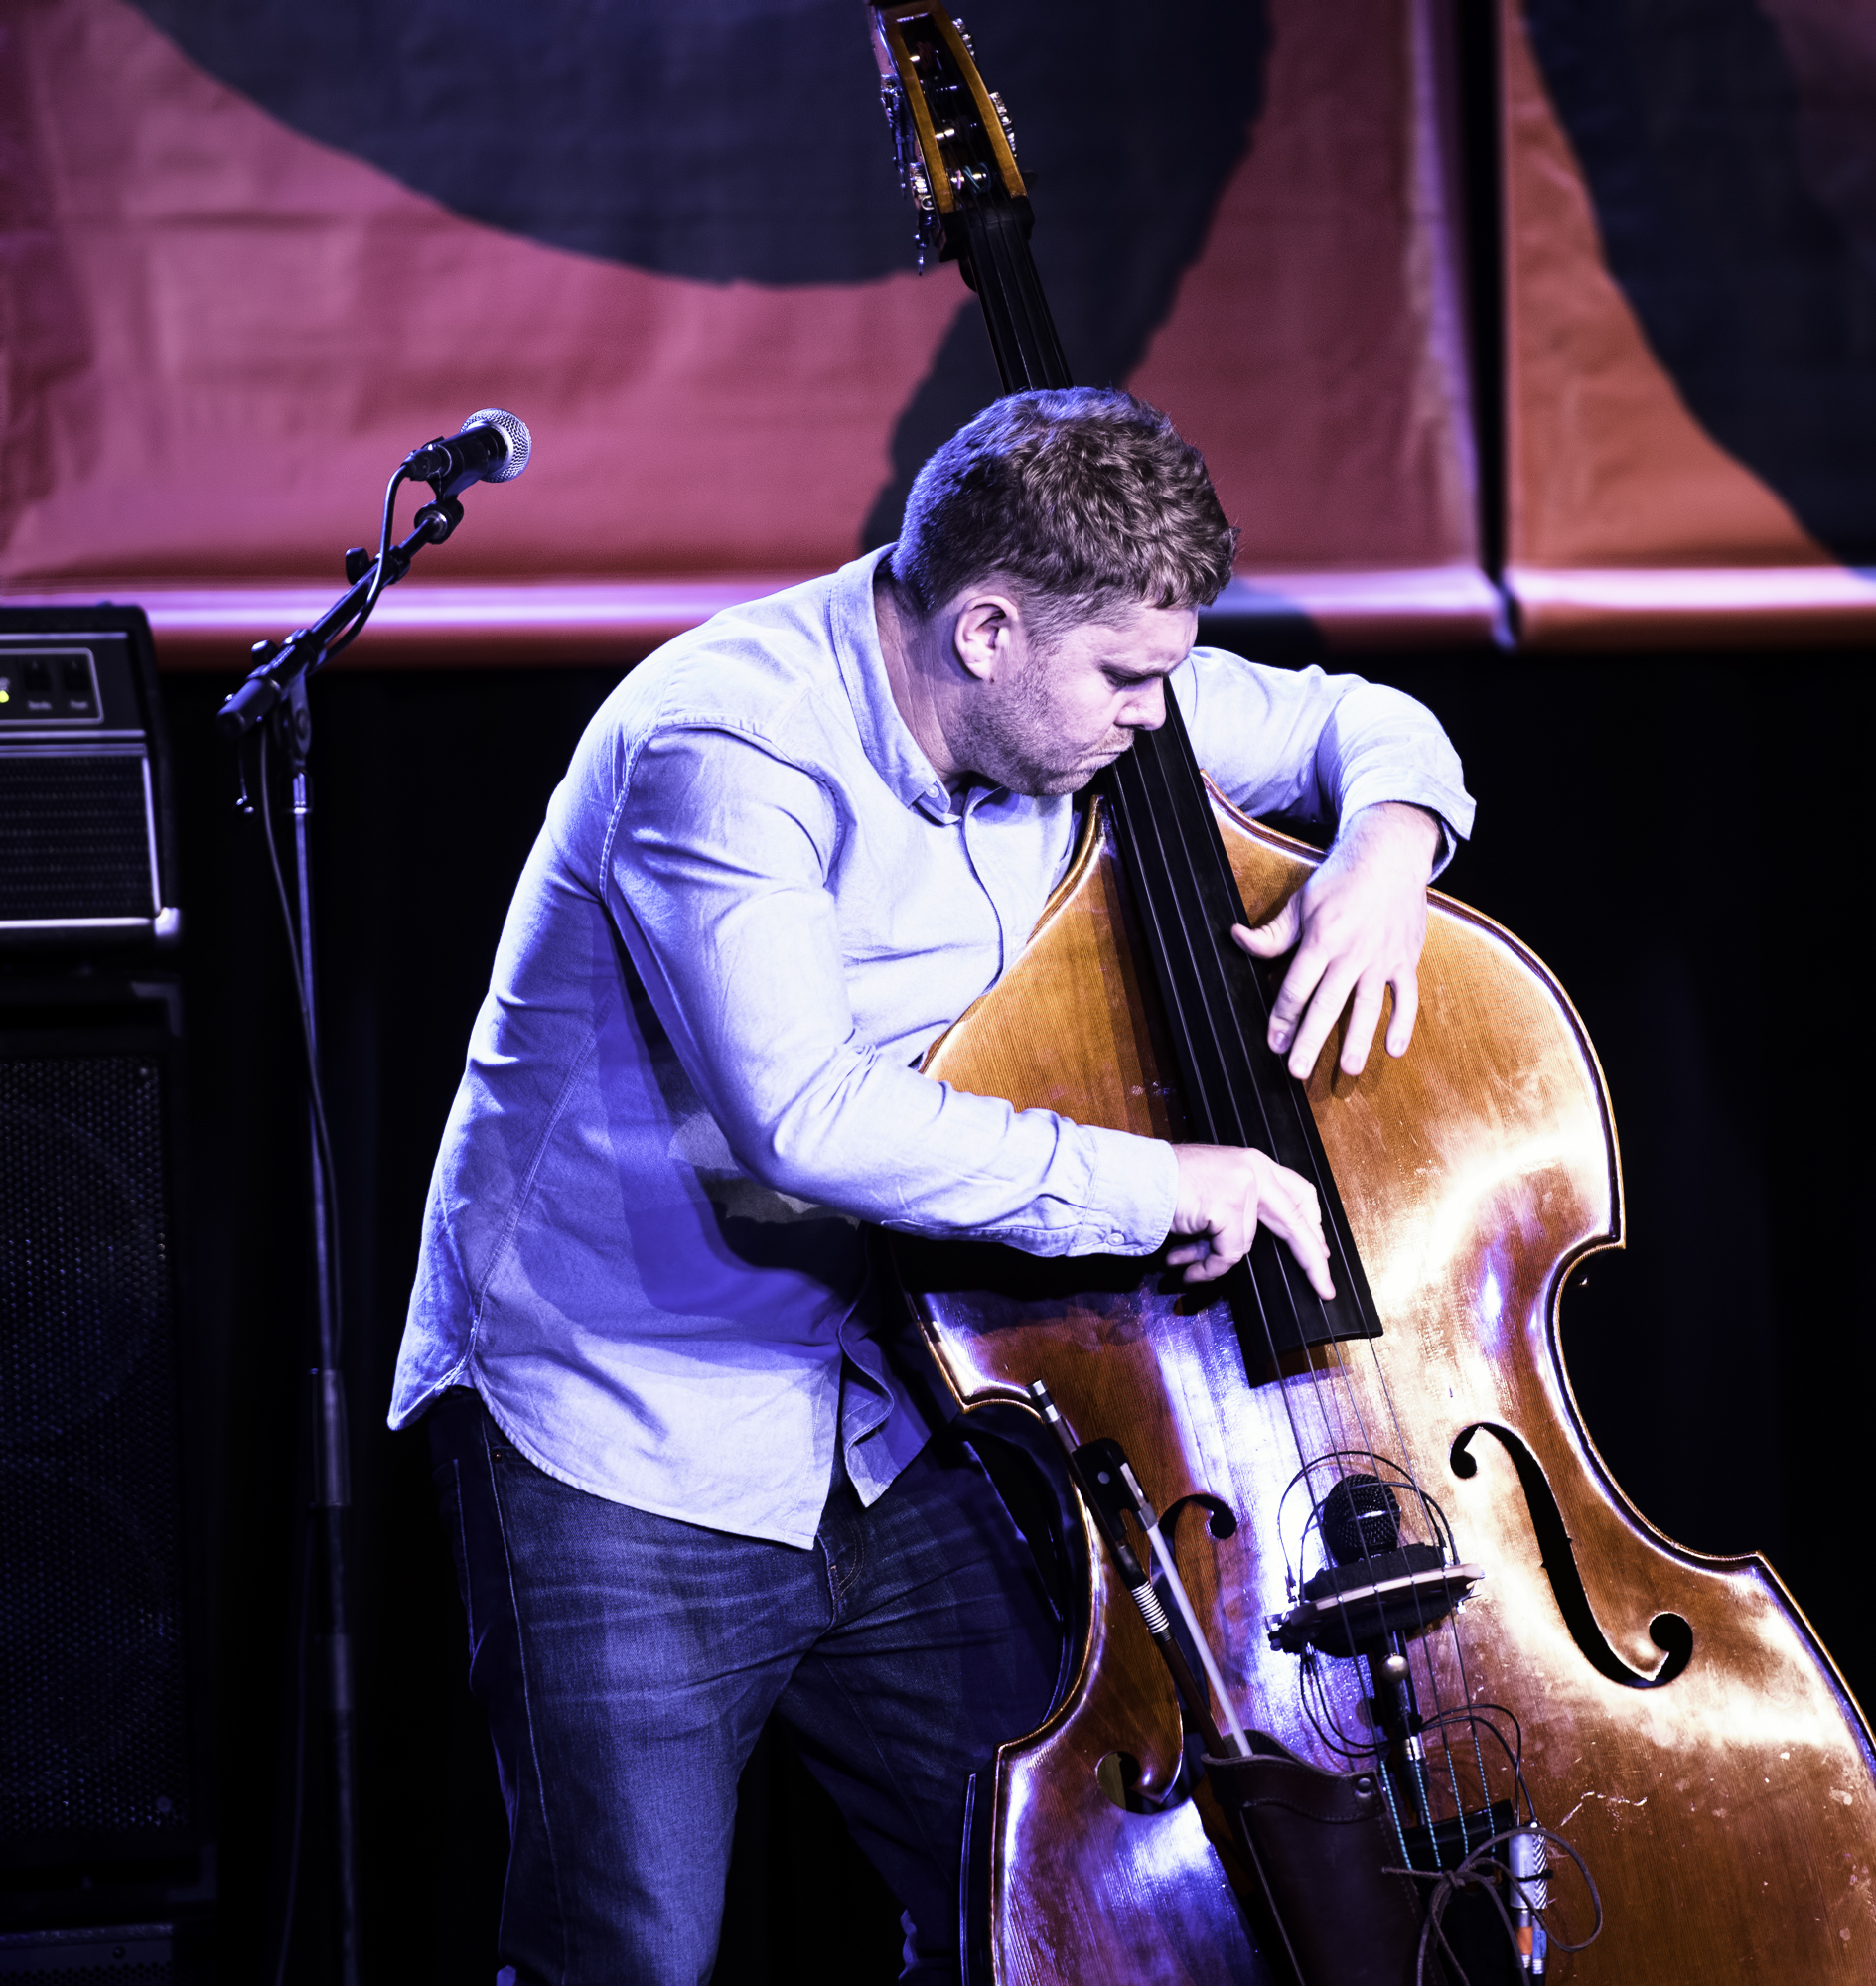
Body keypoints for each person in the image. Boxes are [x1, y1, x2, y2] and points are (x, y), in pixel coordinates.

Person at [389, 388, 1475, 1985]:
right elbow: (808, 1118)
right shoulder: (724, 739)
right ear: (986, 632)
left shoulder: (1092, 684)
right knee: (626, 1957)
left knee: (1060, 1914)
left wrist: (1387, 849)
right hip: (624, 1431)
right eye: (1125, 678)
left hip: (890, 1433)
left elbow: (1355, 725)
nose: (1157, 720)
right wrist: (1168, 1181)